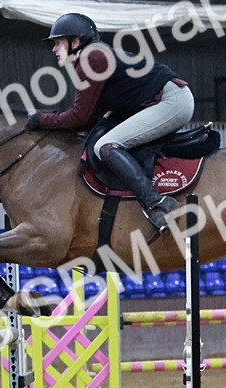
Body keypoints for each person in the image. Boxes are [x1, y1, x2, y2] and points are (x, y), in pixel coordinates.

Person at [26, 12, 195, 239]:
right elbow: (91, 118)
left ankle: (157, 202)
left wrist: (41, 119)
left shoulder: (91, 58)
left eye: (57, 43)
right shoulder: (92, 57)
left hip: (172, 101)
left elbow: (79, 116)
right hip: (159, 100)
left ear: (75, 42)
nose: (54, 49)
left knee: (105, 146)